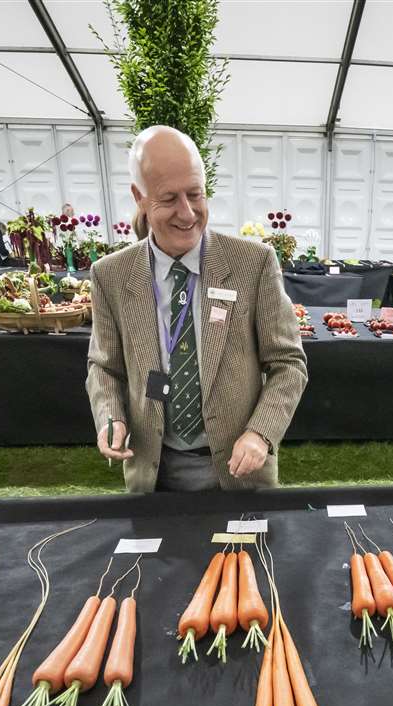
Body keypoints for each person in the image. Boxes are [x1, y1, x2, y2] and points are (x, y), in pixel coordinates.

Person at [86, 126, 308, 493]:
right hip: (153, 473)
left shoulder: (252, 263)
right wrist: (111, 417)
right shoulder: (110, 275)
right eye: (169, 198)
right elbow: (104, 366)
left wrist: (259, 433)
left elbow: (288, 363)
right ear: (139, 197)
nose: (187, 213)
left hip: (241, 473)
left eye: (195, 195)